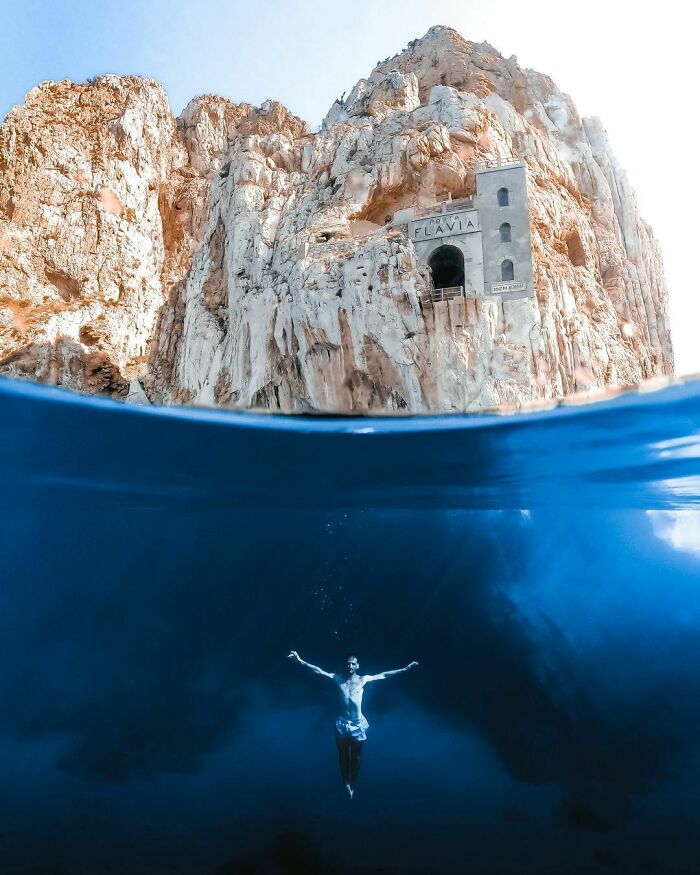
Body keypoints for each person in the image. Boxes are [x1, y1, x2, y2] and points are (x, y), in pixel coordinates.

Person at [287, 651, 419, 799]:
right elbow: (318, 671)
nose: (350, 666)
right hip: (342, 723)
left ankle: (353, 781)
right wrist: (299, 661)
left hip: (358, 724)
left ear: (357, 666)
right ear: (345, 665)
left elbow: (384, 675)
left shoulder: (363, 679)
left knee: (355, 756)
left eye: (353, 664)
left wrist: (404, 669)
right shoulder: (337, 678)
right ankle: (346, 783)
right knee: (343, 756)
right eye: (348, 663)